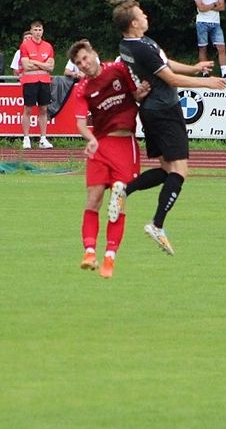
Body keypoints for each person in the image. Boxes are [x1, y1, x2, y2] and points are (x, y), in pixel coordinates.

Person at [111, 0, 226, 255]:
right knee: (180, 171)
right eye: (141, 14)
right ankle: (157, 225)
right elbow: (171, 78)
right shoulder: (140, 48)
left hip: (152, 110)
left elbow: (166, 63)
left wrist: (195, 68)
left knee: (167, 170)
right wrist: (207, 83)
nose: (145, 16)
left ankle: (124, 190)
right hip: (164, 111)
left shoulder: (134, 43)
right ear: (133, 23)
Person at [69, 40, 150, 278]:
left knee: (118, 199)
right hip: (101, 146)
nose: (84, 64)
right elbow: (80, 124)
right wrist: (90, 139)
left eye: (85, 58)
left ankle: (110, 257)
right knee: (93, 198)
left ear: (93, 53)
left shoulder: (118, 69)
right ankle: (89, 252)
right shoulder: (82, 89)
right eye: (79, 63)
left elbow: (135, 95)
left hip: (124, 145)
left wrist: (142, 93)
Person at [17, 20, 55, 149]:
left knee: (43, 110)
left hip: (44, 81)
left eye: (40, 30)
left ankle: (43, 139)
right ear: (31, 31)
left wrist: (35, 62)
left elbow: (51, 67)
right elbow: (26, 65)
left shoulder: (48, 46)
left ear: (42, 31)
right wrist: (43, 64)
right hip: (30, 81)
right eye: (35, 30)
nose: (38, 32)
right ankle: (26, 138)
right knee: (28, 109)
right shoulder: (25, 46)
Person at [194, 0, 226, 77]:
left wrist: (207, 6)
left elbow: (222, 7)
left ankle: (224, 73)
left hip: (215, 22)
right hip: (202, 22)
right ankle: (205, 72)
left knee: (221, 47)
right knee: (203, 48)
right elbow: (201, 8)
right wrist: (214, 4)